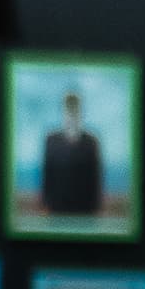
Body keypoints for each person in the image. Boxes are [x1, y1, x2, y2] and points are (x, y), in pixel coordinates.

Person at [37, 90, 104, 221]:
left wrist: (96, 208)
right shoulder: (51, 141)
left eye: (75, 109)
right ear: (62, 111)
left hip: (85, 210)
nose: (72, 114)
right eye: (68, 109)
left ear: (81, 112)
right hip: (57, 209)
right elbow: (47, 175)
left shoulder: (91, 142)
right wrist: (45, 204)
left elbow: (95, 178)